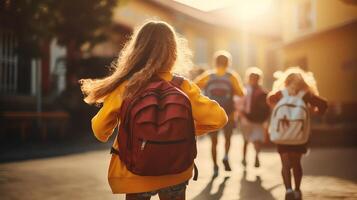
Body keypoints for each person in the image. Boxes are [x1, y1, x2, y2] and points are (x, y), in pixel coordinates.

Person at [267, 67, 328, 200]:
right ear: (303, 82)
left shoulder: (280, 93)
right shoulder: (306, 94)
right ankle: (297, 190)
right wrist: (312, 113)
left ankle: (288, 190)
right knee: (296, 164)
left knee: (285, 164)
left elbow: (270, 99)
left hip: (282, 136)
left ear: (286, 81)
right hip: (299, 136)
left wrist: (278, 109)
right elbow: (323, 104)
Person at [194, 50, 245, 176]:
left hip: (212, 114)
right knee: (228, 138)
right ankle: (226, 156)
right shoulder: (231, 76)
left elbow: (193, 87)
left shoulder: (208, 75)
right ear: (228, 63)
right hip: (229, 113)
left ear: (215, 62)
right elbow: (241, 93)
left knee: (214, 141)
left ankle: (215, 167)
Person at [237, 67, 270, 168]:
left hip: (248, 118)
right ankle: (253, 157)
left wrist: (241, 115)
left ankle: (247, 158)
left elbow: (239, 104)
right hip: (254, 120)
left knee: (248, 140)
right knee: (254, 140)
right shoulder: (262, 91)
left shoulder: (245, 90)